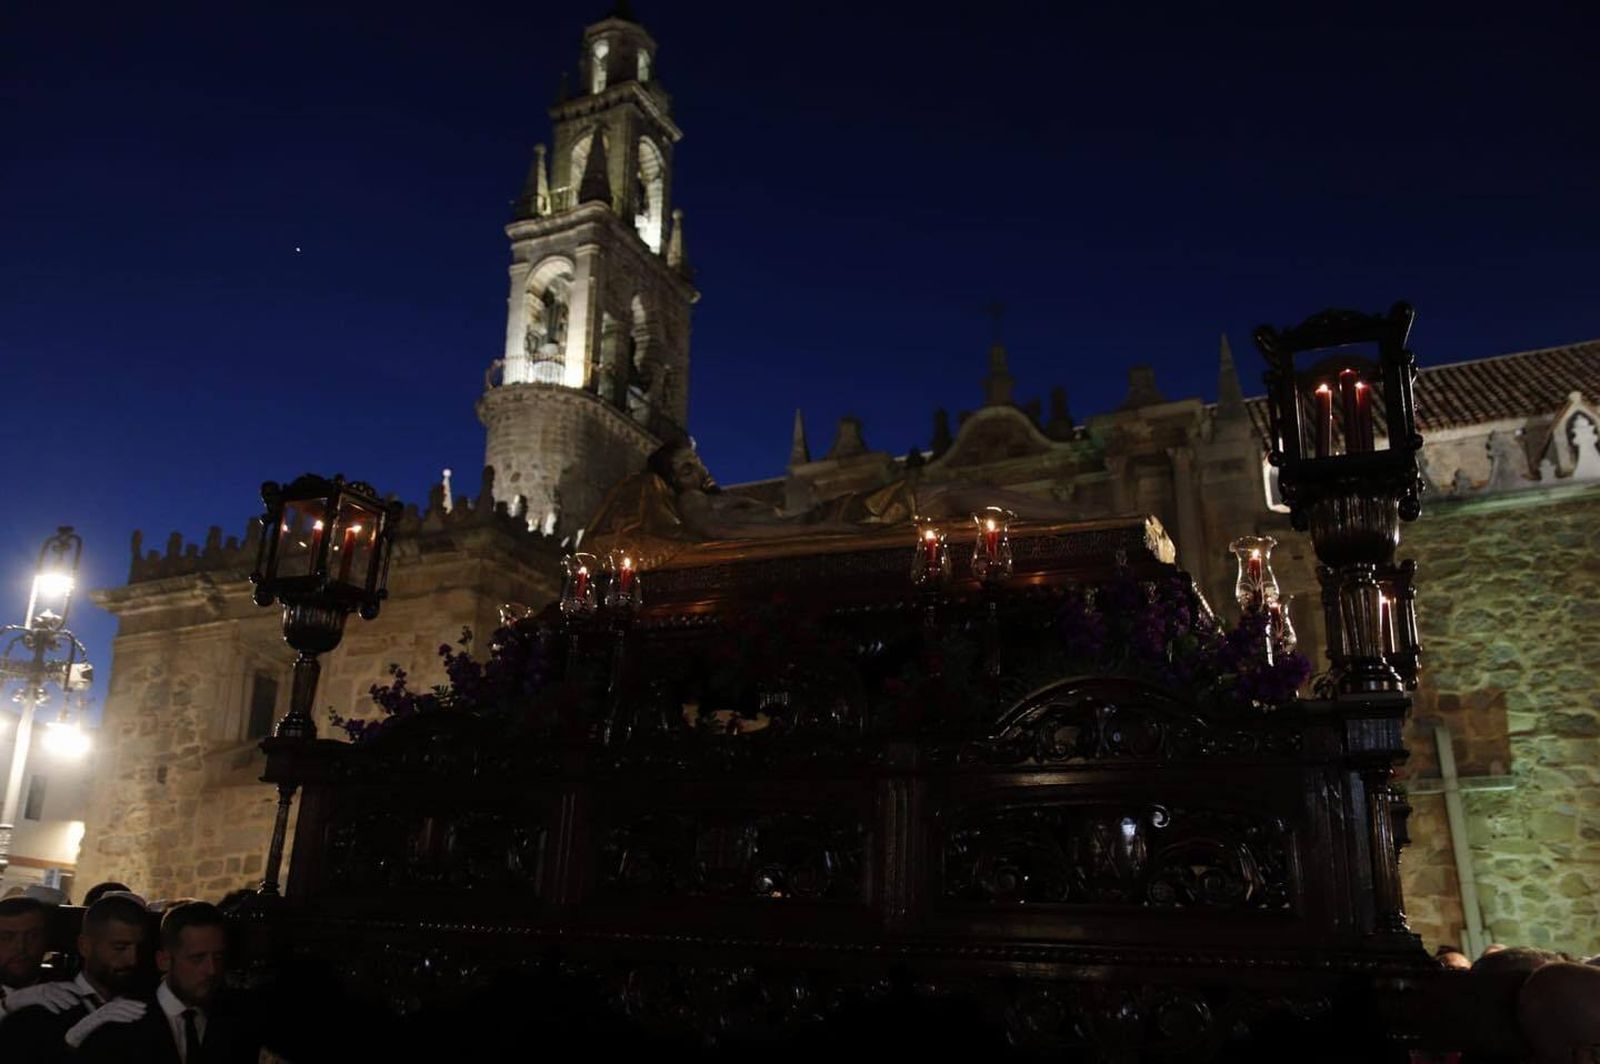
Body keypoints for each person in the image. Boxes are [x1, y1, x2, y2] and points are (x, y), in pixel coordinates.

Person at [77, 900, 258, 1063]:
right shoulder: (121, 1022)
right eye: (197, 958)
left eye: (218, 957)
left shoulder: (237, 1019)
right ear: (164, 960)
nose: (211, 970)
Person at [0, 893, 150, 1062]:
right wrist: (6, 1007)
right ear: (84, 945)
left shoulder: (58, 988)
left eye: (33, 935)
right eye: (7, 937)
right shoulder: (35, 1010)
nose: (21, 947)